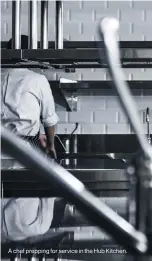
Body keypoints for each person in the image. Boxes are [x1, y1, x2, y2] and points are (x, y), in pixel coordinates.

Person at [1, 35, 61, 242]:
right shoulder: (37, 79)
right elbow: (49, 118)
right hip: (27, 151)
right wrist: (51, 146)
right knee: (28, 191)